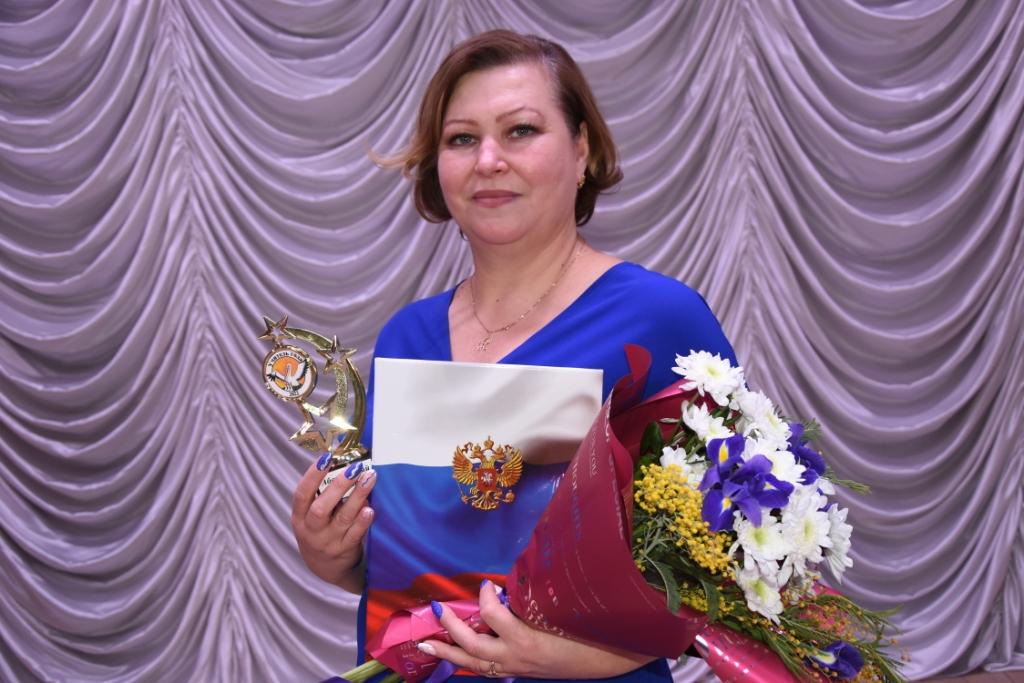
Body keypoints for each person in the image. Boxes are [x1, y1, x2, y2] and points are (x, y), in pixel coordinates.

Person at [291, 29, 736, 682]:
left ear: (582, 149)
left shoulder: (659, 318)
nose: (488, 160)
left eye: (520, 130)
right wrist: (333, 554)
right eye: (461, 139)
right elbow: (420, 558)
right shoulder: (407, 337)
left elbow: (738, 568)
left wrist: (577, 655)